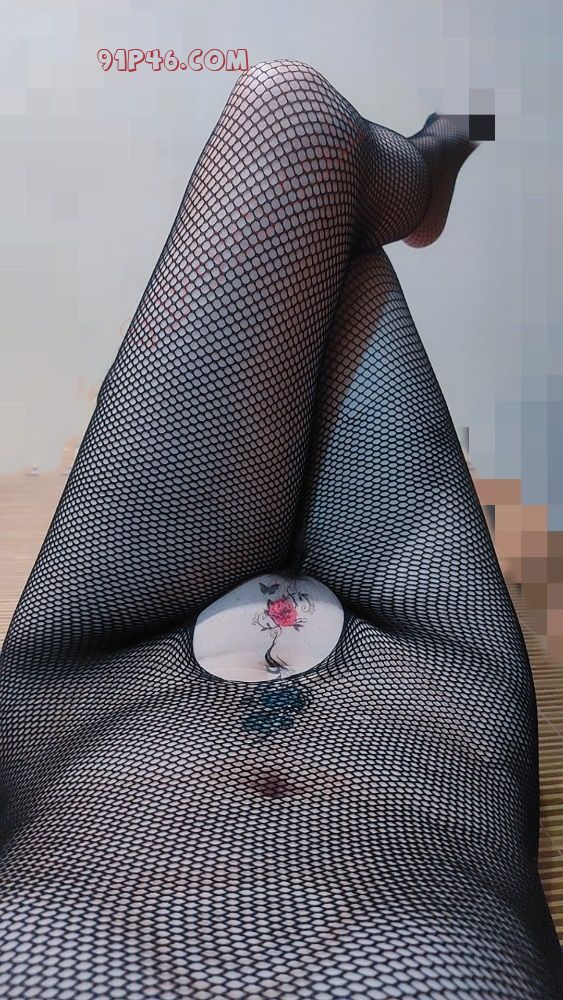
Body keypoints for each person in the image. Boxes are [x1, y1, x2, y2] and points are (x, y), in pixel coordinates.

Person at [1, 60, 561, 999]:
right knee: (334, 223)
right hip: (428, 687)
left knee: (288, 112)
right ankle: (415, 175)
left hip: (93, 679)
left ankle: (416, 171)